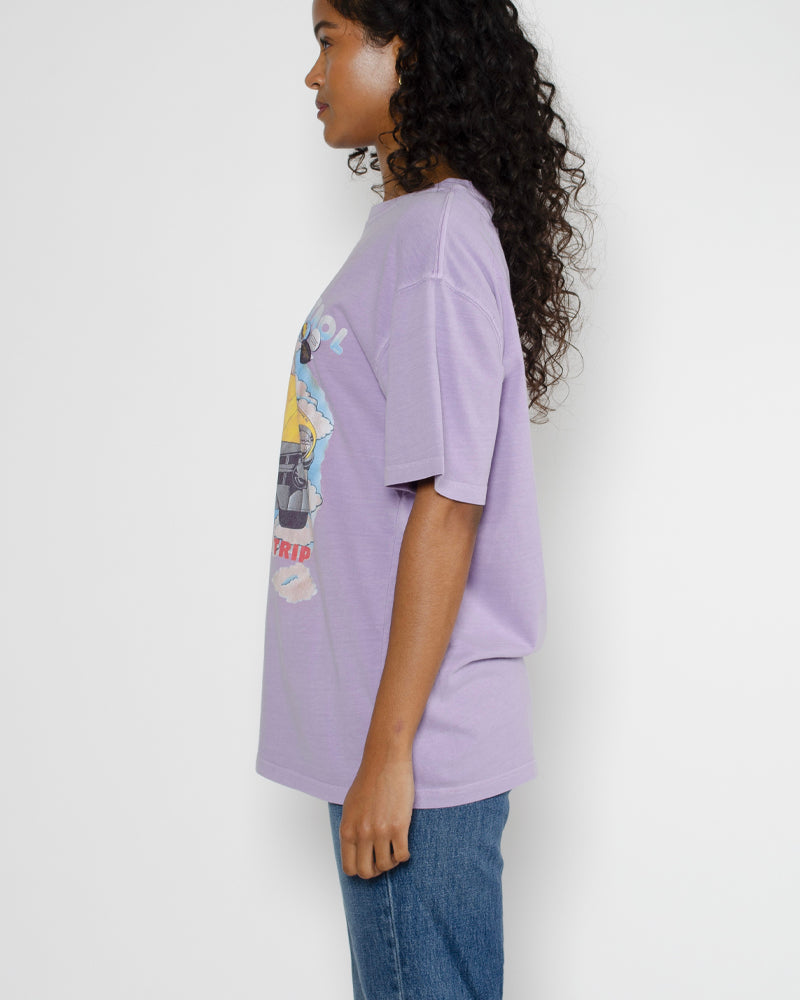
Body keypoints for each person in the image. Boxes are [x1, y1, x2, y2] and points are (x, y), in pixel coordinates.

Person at [255, 1, 593, 996]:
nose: (312, 74)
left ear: (401, 47)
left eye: (328, 40)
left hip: (418, 751)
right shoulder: (413, 232)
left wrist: (389, 753)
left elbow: (449, 506)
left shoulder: (438, 240)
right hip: (394, 738)